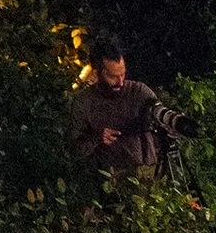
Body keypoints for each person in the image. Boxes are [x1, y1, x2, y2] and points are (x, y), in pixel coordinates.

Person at [69, 42, 166, 172]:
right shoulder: (84, 102)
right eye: (113, 77)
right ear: (97, 73)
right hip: (110, 181)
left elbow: (161, 116)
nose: (120, 82)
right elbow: (74, 150)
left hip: (146, 174)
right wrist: (97, 138)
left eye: (123, 74)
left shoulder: (139, 91)